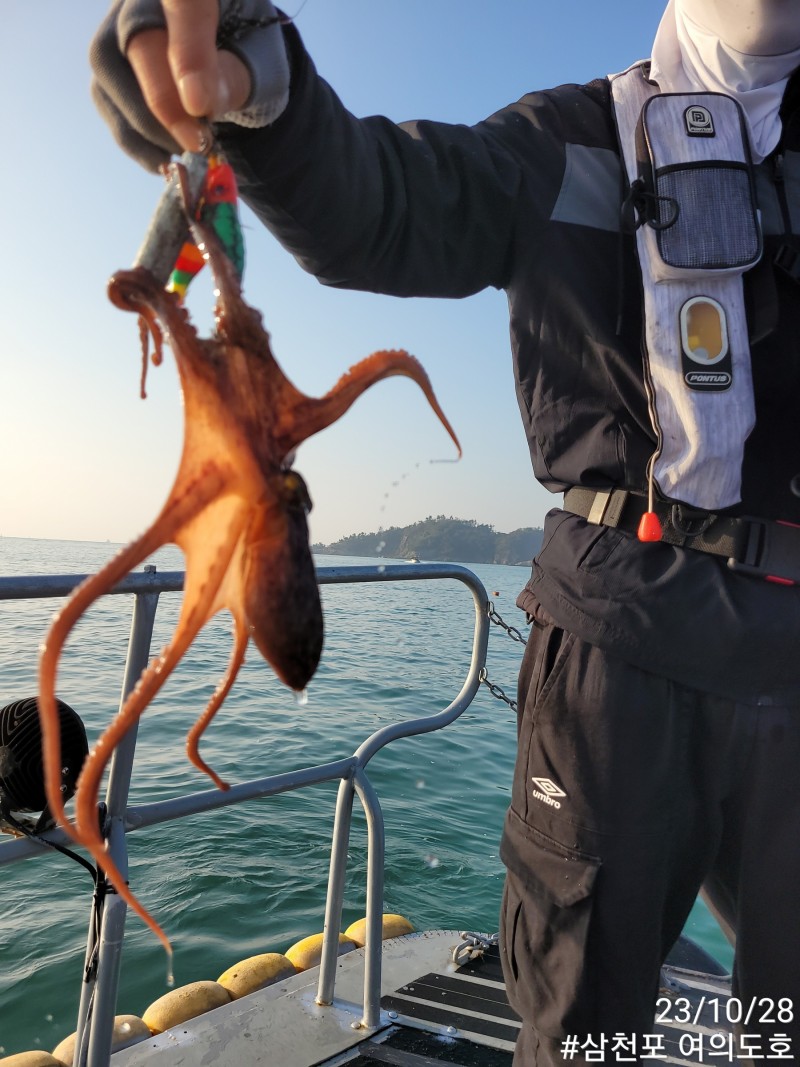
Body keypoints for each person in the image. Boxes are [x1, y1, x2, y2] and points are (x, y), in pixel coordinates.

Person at [91, 2, 800, 1063]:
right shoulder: (567, 138)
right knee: (582, 1026)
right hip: (620, 642)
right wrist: (261, 88)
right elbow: (377, 201)